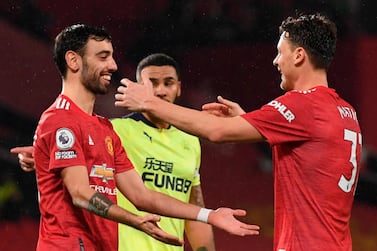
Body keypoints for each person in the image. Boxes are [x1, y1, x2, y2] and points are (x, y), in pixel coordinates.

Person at [115, 13, 361, 251]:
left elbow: (217, 132)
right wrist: (248, 121)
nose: (276, 61)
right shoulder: (344, 110)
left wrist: (149, 102)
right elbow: (308, 158)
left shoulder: (301, 105)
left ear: (298, 55)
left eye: (279, 53)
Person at [10, 24, 260, 251]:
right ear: (73, 61)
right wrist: (135, 221)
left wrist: (209, 215)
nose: (113, 66)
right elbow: (80, 193)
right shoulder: (60, 120)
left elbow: (143, 196)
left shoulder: (104, 129)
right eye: (103, 57)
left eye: (112, 56)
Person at [112, 53, 215, 251]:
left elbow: (195, 210)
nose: (160, 91)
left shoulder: (190, 140)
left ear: (179, 88)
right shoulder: (115, 130)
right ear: (138, 88)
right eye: (152, 83)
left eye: (168, 83)